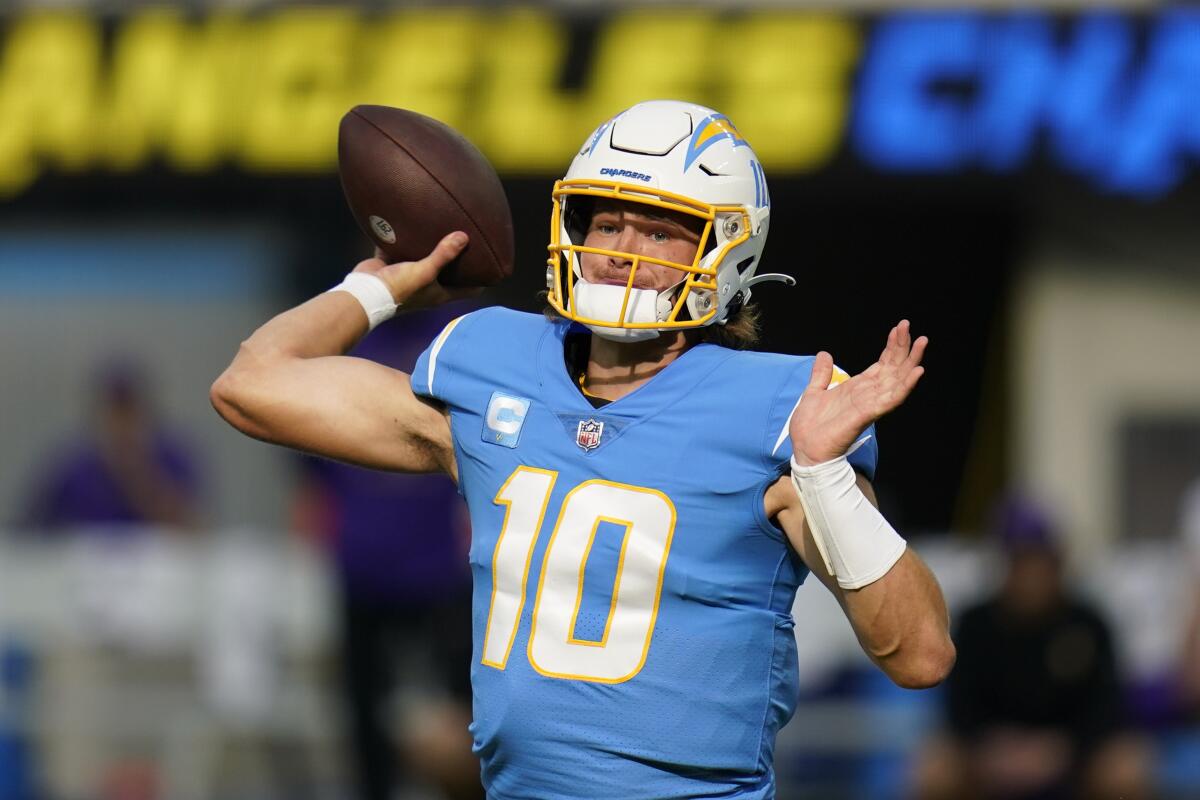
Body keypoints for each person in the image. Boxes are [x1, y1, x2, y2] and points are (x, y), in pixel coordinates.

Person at [211, 100, 955, 798]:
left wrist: (822, 473)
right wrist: (379, 287)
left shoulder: (782, 407)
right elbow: (251, 383)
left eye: (660, 230)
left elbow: (919, 653)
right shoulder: (492, 358)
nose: (620, 252)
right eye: (605, 224)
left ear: (727, 249)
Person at [291, 315, 479, 800]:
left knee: (464, 719)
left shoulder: (459, 337)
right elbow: (307, 450)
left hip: (439, 567)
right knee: (365, 718)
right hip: (364, 565)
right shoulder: (350, 334)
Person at [913, 496, 1151, 800]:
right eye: (1020, 561)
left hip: (1070, 753)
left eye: (1037, 560)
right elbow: (960, 707)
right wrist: (995, 748)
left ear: (1056, 561)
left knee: (1125, 768)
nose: (1030, 573)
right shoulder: (975, 624)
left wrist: (1060, 749)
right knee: (935, 769)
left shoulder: (1088, 623)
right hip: (992, 753)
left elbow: (1106, 707)